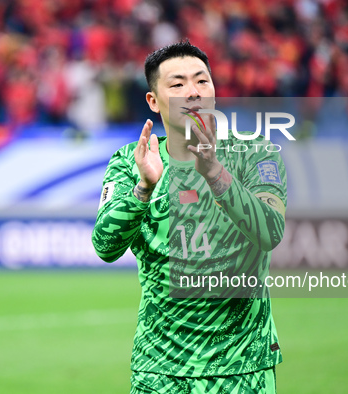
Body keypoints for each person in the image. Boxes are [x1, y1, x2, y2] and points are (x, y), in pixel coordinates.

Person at [92, 40, 287, 394]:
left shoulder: (254, 152)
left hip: (244, 368)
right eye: (178, 84)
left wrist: (214, 171)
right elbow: (105, 245)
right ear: (153, 100)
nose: (193, 92)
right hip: (160, 370)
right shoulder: (130, 162)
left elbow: (270, 231)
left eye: (202, 81)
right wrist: (143, 189)